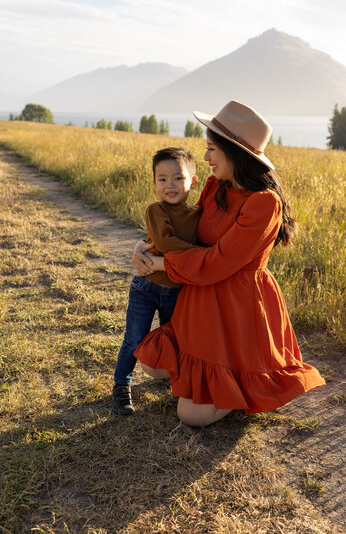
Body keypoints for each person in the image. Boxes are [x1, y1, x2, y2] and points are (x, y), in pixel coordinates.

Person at [132, 100, 325, 426]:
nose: (205, 158)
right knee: (151, 364)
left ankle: (237, 381)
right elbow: (187, 231)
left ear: (235, 152)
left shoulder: (263, 204)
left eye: (211, 149)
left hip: (236, 309)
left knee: (190, 415)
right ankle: (208, 380)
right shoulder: (215, 186)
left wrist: (160, 265)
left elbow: (218, 262)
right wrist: (146, 245)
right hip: (199, 302)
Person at [112, 147, 202, 415]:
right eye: (162, 179)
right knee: (135, 338)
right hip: (146, 287)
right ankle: (121, 384)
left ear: (192, 182)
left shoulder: (198, 215)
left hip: (176, 291)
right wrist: (202, 255)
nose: (170, 185)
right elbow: (164, 243)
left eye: (177, 178)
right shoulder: (155, 210)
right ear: (154, 184)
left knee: (172, 337)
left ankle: (169, 378)